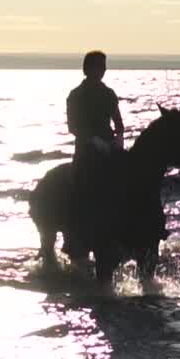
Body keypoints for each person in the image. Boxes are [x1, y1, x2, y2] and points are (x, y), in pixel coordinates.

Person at [65, 50, 124, 248]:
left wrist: (118, 140)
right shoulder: (76, 95)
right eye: (99, 66)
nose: (103, 70)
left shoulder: (109, 93)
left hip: (109, 146)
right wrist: (93, 140)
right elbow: (73, 127)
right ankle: (74, 233)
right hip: (86, 150)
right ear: (88, 69)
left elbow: (118, 123)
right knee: (79, 185)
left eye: (104, 67)